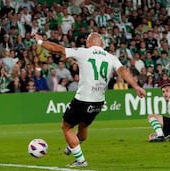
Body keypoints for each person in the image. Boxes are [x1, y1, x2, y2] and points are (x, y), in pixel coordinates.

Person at [34, 32, 146, 167]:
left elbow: (57, 49)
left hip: (83, 99)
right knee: (83, 125)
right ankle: (72, 146)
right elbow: (123, 71)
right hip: (99, 101)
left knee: (66, 126)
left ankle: (80, 160)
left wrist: (40, 42)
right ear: (103, 44)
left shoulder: (83, 52)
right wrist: (136, 86)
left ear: (88, 43)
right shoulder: (111, 57)